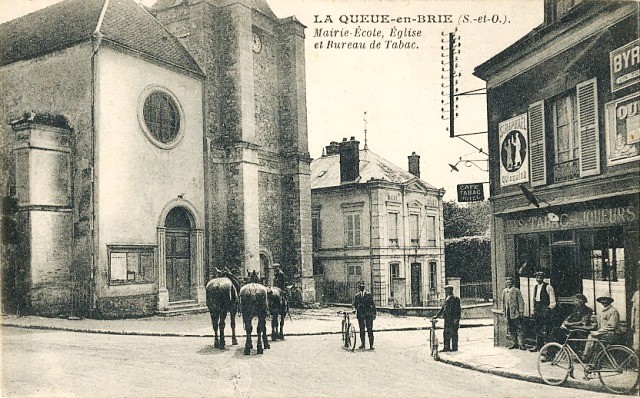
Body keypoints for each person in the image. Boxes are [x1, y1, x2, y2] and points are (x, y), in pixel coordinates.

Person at [583, 294, 620, 363]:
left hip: (610, 334)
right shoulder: (602, 311)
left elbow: (611, 326)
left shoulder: (613, 311)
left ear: (609, 301)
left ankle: (586, 357)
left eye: (606, 300)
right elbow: (600, 323)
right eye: (602, 300)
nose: (604, 302)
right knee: (592, 337)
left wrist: (598, 331)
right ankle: (594, 361)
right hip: (604, 333)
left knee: (591, 337)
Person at [529, 271, 556, 352]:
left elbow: (552, 300)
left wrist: (549, 308)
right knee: (537, 328)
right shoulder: (536, 287)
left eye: (540, 277)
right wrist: (533, 309)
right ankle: (538, 345)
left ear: (543, 278)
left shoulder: (548, 287)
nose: (538, 279)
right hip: (538, 309)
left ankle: (547, 347)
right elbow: (534, 299)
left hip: (545, 309)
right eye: (537, 277)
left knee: (546, 328)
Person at [432, 285, 461, 352]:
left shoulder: (455, 298)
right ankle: (446, 347)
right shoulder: (447, 299)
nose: (445, 292)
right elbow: (442, 309)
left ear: (450, 291)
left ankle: (454, 348)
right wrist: (436, 315)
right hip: (447, 319)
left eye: (446, 290)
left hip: (453, 319)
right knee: (446, 333)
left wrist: (456, 320)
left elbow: (458, 311)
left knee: (454, 333)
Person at [501, 277, 525, 350]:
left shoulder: (516, 291)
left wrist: (521, 311)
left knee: (519, 328)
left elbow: (521, 302)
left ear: (512, 283)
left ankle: (521, 344)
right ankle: (514, 343)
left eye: (510, 282)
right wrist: (503, 310)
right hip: (508, 313)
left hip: (515, 313)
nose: (509, 284)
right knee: (511, 328)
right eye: (507, 282)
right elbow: (503, 302)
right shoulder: (505, 291)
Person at [353, 281, 376, 350]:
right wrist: (354, 308)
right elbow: (355, 305)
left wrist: (374, 314)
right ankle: (363, 344)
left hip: (368, 315)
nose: (361, 287)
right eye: (360, 286)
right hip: (361, 315)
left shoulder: (369, 295)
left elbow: (373, 304)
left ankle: (371, 345)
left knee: (369, 329)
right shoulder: (357, 296)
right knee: (361, 330)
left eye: (362, 286)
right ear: (359, 288)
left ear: (364, 287)